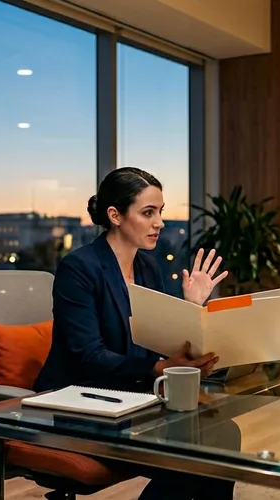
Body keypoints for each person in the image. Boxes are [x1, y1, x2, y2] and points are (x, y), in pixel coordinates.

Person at [34, 167, 235, 500]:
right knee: (191, 460)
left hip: (134, 396)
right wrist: (158, 369)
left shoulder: (147, 266)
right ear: (115, 215)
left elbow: (157, 340)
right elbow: (89, 356)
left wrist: (191, 306)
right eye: (148, 213)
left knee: (223, 435)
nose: (159, 223)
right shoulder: (78, 268)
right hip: (81, 401)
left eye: (160, 212)